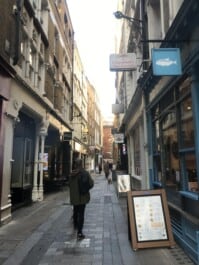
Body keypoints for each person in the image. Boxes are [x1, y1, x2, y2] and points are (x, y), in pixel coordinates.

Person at [69, 158, 94, 240]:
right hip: (83, 197)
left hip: (74, 198)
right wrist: (86, 188)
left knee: (75, 211)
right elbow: (91, 184)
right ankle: (80, 232)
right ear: (81, 164)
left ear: (75, 165)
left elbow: (69, 185)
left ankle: (75, 225)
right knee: (81, 214)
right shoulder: (85, 173)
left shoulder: (71, 174)